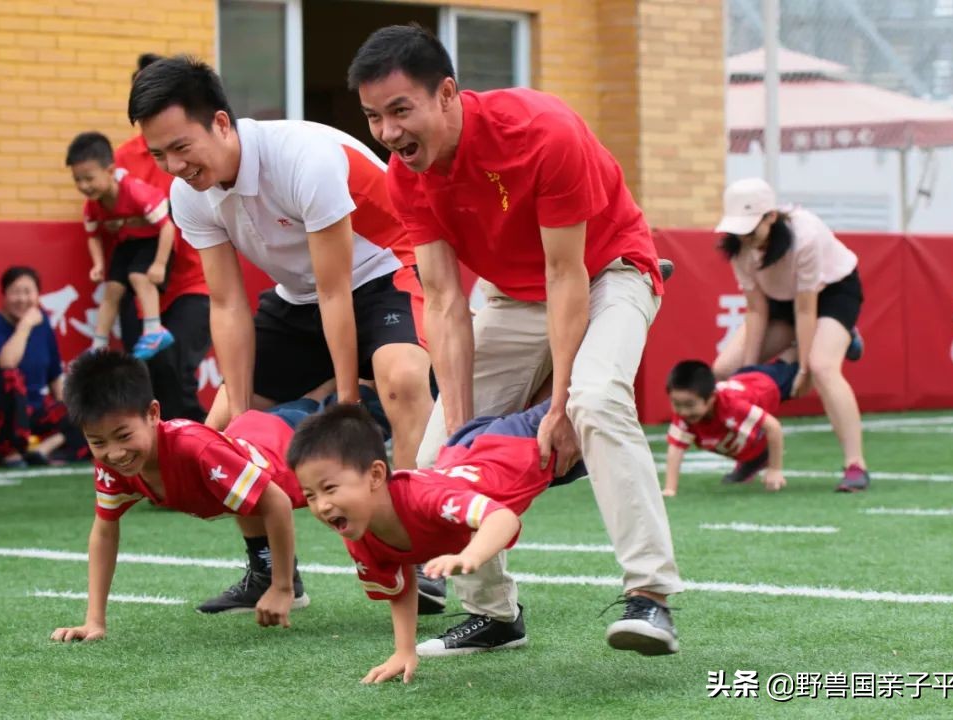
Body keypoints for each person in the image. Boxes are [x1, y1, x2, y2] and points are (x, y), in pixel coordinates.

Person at [347, 24, 683, 657]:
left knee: (594, 400)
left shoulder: (540, 130)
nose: (389, 133)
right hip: (509, 294)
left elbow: (567, 275)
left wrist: (557, 409)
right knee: (438, 451)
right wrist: (466, 426)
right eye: (373, 117)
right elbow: (445, 300)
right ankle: (495, 614)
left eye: (400, 110)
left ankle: (651, 596)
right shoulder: (404, 175)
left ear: (446, 93)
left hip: (606, 271)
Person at [127, 55, 436, 613]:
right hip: (299, 298)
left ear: (221, 123)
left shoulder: (304, 157)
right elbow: (226, 302)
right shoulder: (188, 193)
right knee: (219, 428)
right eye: (158, 155)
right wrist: (241, 423)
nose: (173, 165)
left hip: (383, 272)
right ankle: (270, 570)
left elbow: (337, 288)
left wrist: (346, 406)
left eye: (181, 147)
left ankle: (410, 549)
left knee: (404, 380)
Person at [289, 400, 587, 684]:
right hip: (470, 448)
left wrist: (470, 556)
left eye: (329, 488)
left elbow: (502, 519)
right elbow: (401, 586)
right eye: (311, 495)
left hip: (520, 442)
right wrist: (404, 651)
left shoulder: (424, 498)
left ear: (376, 475)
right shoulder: (358, 531)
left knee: (598, 403)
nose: (321, 505)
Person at [49, 350, 308, 642]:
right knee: (240, 495)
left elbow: (277, 502)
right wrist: (94, 622)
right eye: (98, 442)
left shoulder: (195, 450)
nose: (115, 452)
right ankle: (266, 575)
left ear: (153, 414)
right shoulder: (114, 464)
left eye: (123, 436)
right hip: (257, 435)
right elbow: (105, 530)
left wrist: (282, 587)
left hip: (300, 443)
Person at [712, 178, 870, 492]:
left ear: (770, 217)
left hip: (830, 294)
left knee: (823, 368)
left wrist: (803, 369)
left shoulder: (805, 236)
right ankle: (755, 454)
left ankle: (855, 465)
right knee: (724, 372)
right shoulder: (740, 249)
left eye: (751, 228)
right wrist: (748, 373)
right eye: (738, 230)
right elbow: (757, 310)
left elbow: (805, 309)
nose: (744, 237)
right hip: (777, 303)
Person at [113, 53, 213, 422]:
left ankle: (200, 451)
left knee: (176, 369)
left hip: (192, 279)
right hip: (146, 284)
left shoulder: (201, 146)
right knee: (143, 377)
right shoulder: (122, 157)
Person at [66, 132, 176, 360]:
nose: (84, 186)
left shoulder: (135, 192)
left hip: (154, 241)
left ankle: (155, 330)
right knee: (112, 289)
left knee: (138, 277)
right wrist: (97, 264)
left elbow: (168, 227)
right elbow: (93, 234)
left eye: (89, 178)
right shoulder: (92, 206)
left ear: (109, 171)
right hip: (128, 243)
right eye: (78, 180)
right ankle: (99, 344)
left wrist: (159, 264)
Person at [0, 267, 87, 467]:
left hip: (35, 410)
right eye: (15, 292)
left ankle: (43, 450)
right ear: (4, 295)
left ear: (38, 295)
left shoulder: (43, 323)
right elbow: (7, 363)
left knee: (87, 410)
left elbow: (55, 376)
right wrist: (25, 325)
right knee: (10, 376)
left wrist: (69, 416)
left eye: (28, 292)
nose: (22, 299)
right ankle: (10, 452)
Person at [664, 359, 799, 496]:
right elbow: (676, 449)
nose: (683, 412)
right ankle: (756, 459)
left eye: (690, 405)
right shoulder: (684, 414)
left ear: (711, 398)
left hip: (771, 383)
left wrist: (775, 470)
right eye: (676, 404)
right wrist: (670, 489)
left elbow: (774, 427)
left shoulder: (733, 405)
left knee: (805, 371)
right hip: (748, 381)